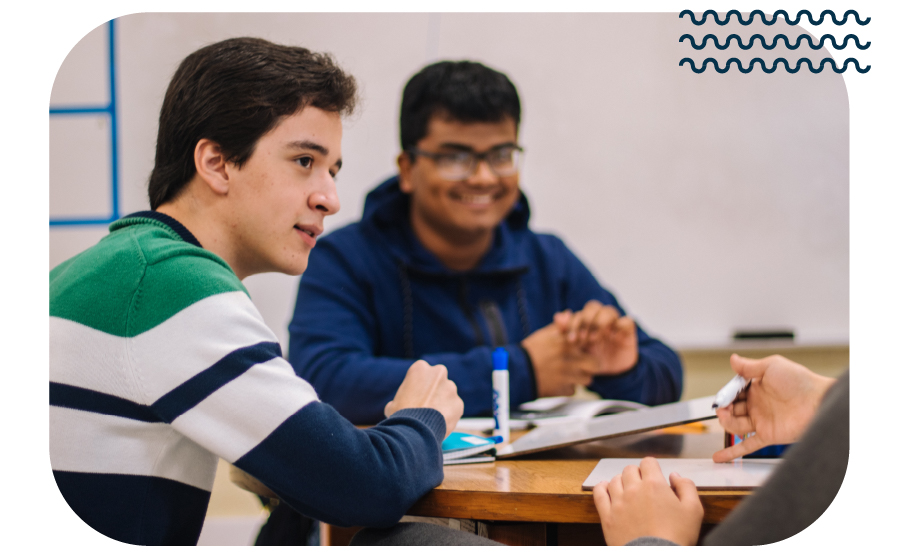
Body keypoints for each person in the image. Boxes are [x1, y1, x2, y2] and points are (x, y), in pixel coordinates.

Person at [49, 37, 464, 546]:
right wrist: (421, 416)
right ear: (217, 163)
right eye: (304, 161)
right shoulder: (170, 287)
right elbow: (369, 487)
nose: (330, 199)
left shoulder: (113, 268)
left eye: (332, 171)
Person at [288, 60, 684, 426]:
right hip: (399, 498)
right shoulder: (345, 258)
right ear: (407, 169)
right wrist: (521, 371)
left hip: (525, 490)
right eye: (455, 158)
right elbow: (325, 381)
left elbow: (665, 375)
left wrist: (622, 366)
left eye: (501, 155)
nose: (482, 178)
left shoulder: (547, 258)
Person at [350, 354, 848, 546]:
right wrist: (821, 400)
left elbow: (658, 370)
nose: (484, 177)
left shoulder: (546, 256)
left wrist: (653, 542)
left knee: (398, 541)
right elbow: (333, 377)